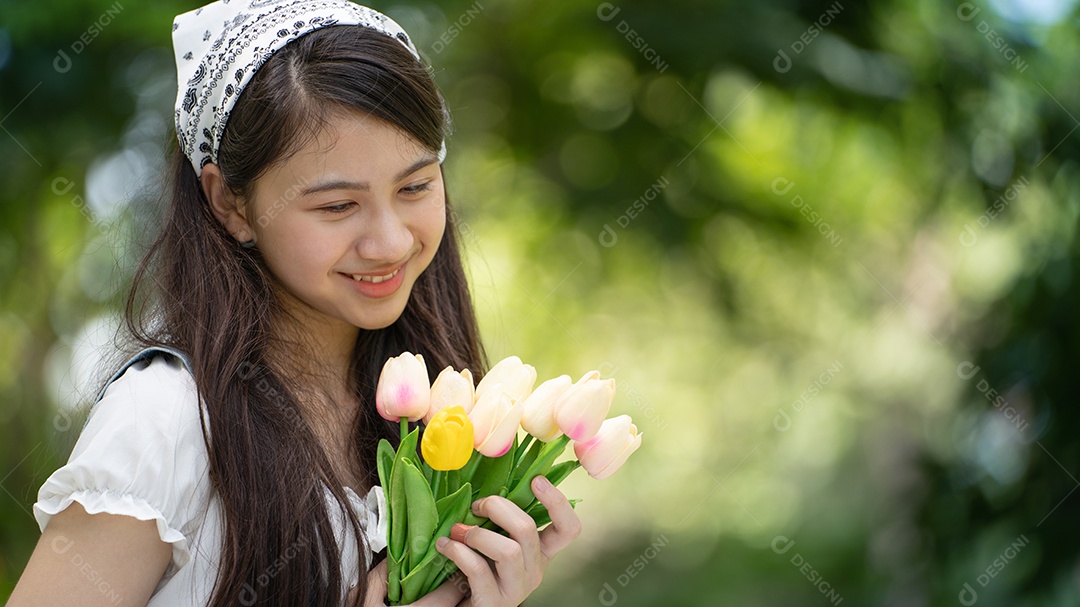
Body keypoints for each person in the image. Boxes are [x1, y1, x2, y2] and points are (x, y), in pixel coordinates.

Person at [8, 1, 582, 605]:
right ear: (232, 204)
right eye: (337, 206)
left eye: (415, 186)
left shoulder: (430, 411)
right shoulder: (169, 419)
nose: (390, 241)